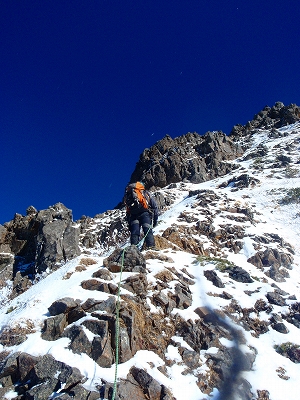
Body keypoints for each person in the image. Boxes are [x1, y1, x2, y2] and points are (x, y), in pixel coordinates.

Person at [124, 182, 158, 249]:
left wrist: (129, 223)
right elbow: (154, 205)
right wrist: (155, 219)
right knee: (147, 229)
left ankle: (134, 249)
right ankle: (151, 247)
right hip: (144, 213)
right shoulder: (145, 192)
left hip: (133, 215)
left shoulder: (129, 194)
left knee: (135, 232)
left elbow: (127, 210)